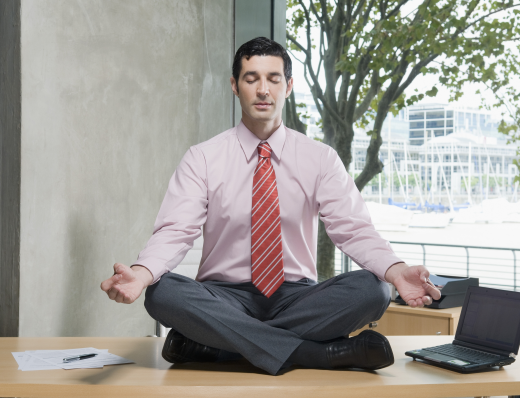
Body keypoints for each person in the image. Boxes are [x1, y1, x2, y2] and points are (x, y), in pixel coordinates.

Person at [100, 37, 441, 376]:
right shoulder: (203, 158)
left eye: (273, 79)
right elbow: (176, 230)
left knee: (373, 289)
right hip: (224, 297)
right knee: (162, 293)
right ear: (235, 86)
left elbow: (353, 229)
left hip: (297, 298)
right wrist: (142, 275)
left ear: (288, 86)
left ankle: (216, 346)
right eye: (251, 79)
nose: (263, 89)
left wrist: (396, 271)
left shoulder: (320, 158)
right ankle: (316, 354)